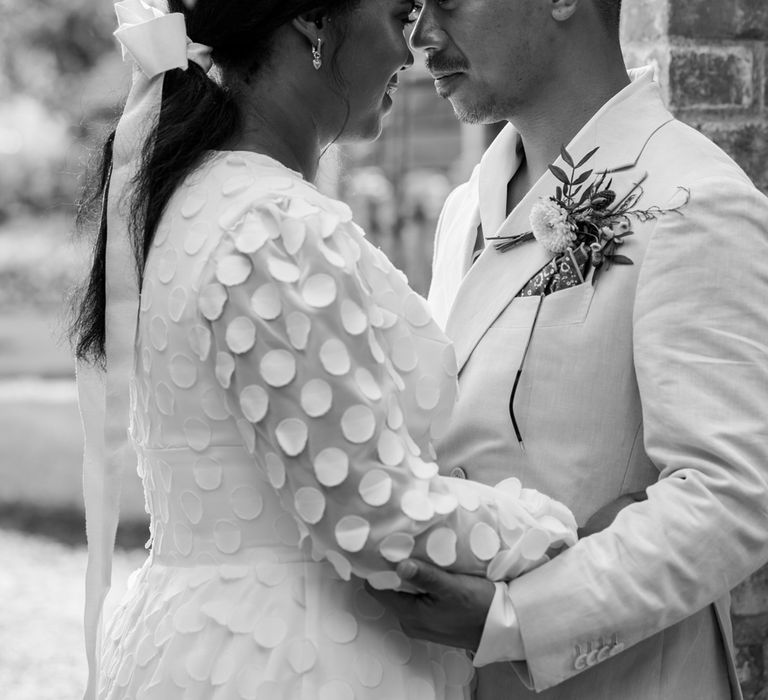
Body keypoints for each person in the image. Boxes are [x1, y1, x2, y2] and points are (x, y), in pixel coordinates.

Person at [71, 1, 579, 698]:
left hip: (204, 642)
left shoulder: (189, 200)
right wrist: (554, 529)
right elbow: (376, 512)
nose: (411, 52)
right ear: (313, 19)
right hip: (292, 661)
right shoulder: (269, 225)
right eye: (398, 14)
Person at [366, 0, 768, 698]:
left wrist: (517, 618)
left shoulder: (692, 200)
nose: (423, 35)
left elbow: (732, 494)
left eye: (451, 2)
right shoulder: (466, 208)